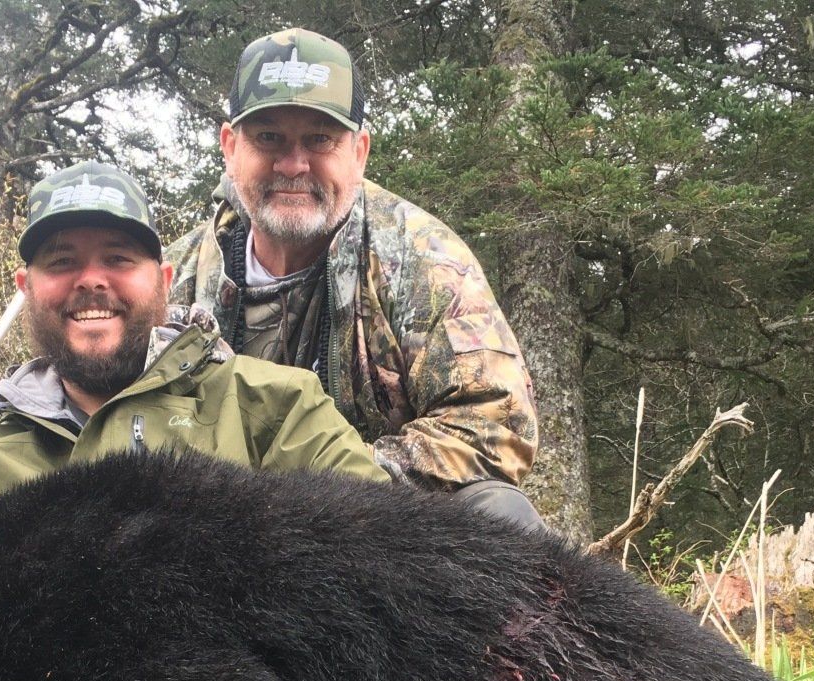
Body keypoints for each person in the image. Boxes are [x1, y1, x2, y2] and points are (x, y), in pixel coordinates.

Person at [168, 28, 542, 530]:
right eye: (268, 137)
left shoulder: (422, 257)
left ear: (359, 152)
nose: (293, 164)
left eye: (319, 139)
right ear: (230, 147)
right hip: (215, 536)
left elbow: (497, 425)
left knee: (500, 514)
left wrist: (331, 489)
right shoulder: (175, 275)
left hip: (376, 536)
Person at [0, 159, 386, 509]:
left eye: (118, 258)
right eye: (62, 261)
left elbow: (384, 546)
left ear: (165, 281)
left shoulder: (277, 404)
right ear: (26, 289)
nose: (90, 280)